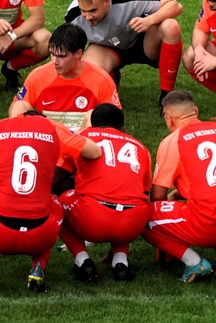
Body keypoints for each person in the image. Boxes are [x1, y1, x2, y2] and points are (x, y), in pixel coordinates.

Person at [0, 112, 100, 294]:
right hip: (40, 235)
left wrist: (5, 168)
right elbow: (95, 151)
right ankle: (39, 265)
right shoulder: (53, 129)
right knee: (55, 201)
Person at [142, 90, 216, 283]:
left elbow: (157, 196)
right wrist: (181, 193)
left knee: (142, 215)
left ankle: (194, 262)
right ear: (195, 111)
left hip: (210, 225)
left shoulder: (174, 141)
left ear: (169, 119)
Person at [54, 104, 152, 283]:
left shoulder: (82, 138)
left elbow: (56, 180)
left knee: (56, 202)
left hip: (93, 218)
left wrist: (80, 187)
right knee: (129, 198)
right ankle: (120, 261)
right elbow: (144, 192)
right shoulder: (141, 147)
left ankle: (83, 261)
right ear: (123, 127)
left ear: (92, 124)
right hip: (133, 223)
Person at [64, 0, 184, 110]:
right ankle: (111, 82)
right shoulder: (73, 15)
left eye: (93, 11)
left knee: (171, 27)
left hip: (143, 40)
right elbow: (70, 49)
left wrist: (149, 21)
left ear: (106, 2)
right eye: (83, 11)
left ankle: (167, 94)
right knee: (88, 71)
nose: (87, 17)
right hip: (107, 48)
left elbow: (175, 5)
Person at [9, 23, 121, 132]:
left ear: (78, 53)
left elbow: (113, 121)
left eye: (61, 56)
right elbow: (17, 107)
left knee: (96, 115)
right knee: (19, 105)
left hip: (84, 141)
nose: (54, 61)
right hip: (49, 138)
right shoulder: (38, 76)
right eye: (52, 54)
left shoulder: (101, 80)